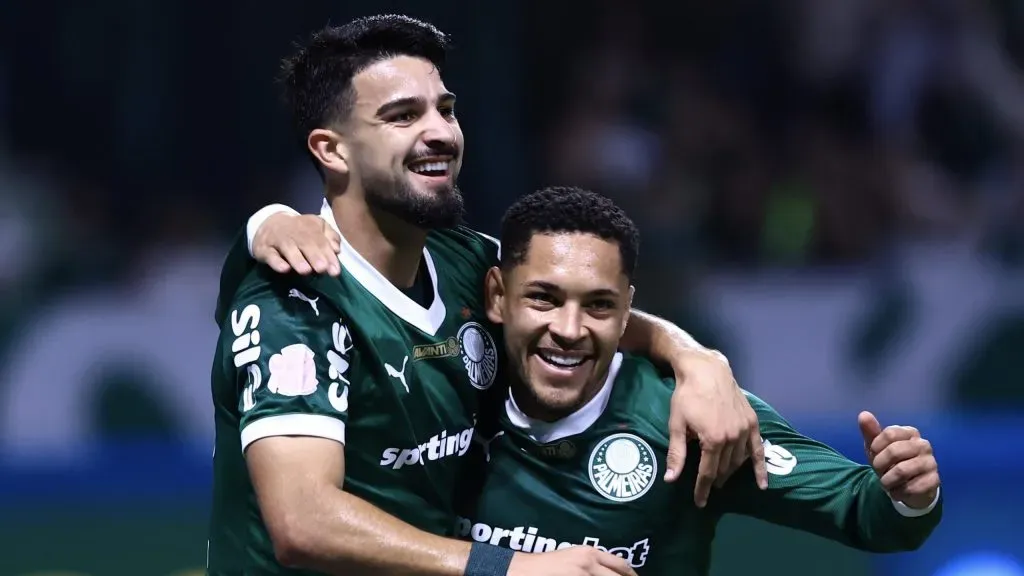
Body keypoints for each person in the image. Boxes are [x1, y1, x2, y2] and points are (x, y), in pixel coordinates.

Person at [209, 15, 763, 576]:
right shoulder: (293, 303)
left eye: (445, 110)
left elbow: (585, 306)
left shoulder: (464, 259)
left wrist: (694, 359)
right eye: (403, 116)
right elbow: (303, 523)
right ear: (332, 151)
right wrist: (509, 568)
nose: (442, 133)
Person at [455, 186, 942, 575]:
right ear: (498, 297)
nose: (568, 329)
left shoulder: (690, 416)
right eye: (544, 298)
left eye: (599, 305)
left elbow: (863, 510)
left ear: (628, 311)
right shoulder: (446, 388)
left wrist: (906, 495)